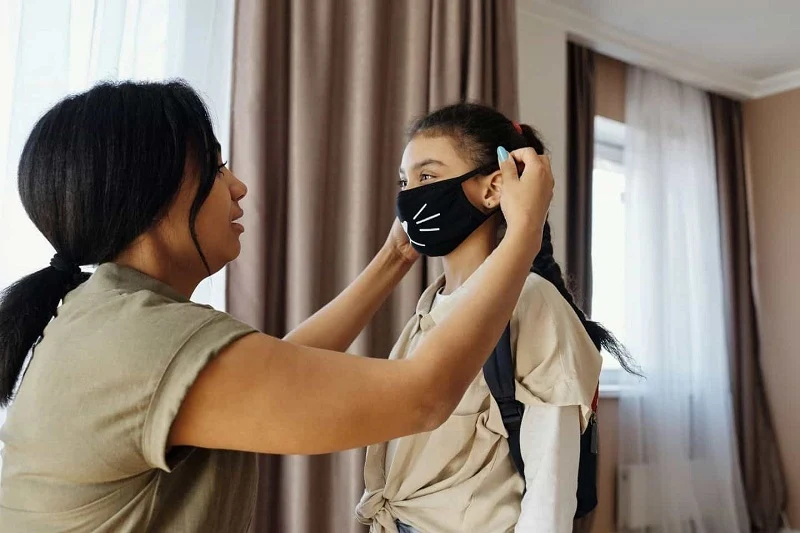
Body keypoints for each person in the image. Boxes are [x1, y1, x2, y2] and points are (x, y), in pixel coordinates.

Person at [0, 81, 552, 531]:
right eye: (216, 169)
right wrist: (524, 231)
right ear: (152, 190)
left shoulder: (106, 318)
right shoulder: (138, 343)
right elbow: (424, 397)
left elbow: (281, 369)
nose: (238, 187)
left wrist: (392, 259)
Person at [356, 103, 637, 533]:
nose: (409, 196)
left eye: (427, 177)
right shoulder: (428, 308)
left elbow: (549, 495)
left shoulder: (533, 303)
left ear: (492, 190)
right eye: (404, 180)